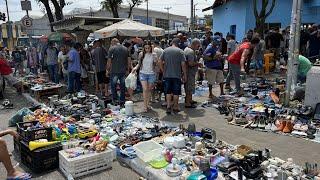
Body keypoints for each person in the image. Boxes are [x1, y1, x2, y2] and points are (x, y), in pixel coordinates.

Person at [160, 38, 187, 114]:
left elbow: (160, 61)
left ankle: (168, 106)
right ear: (178, 43)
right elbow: (183, 64)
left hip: (167, 75)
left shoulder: (165, 50)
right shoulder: (180, 51)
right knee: (176, 92)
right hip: (177, 75)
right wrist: (185, 75)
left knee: (168, 91)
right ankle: (175, 106)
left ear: (172, 42)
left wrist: (163, 71)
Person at [132, 42, 158, 112]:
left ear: (151, 47)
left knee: (149, 90)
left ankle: (147, 104)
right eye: (145, 48)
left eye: (148, 48)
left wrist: (153, 53)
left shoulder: (154, 54)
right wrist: (135, 68)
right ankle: (145, 106)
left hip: (151, 74)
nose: (147, 49)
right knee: (145, 89)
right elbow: (139, 63)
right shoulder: (141, 54)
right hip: (143, 73)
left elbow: (156, 63)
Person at [107, 38, 131, 106]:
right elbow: (129, 60)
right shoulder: (125, 49)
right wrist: (128, 70)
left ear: (113, 42)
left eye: (111, 43)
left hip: (114, 71)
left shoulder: (111, 49)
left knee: (113, 86)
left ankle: (115, 100)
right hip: (123, 71)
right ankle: (122, 100)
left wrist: (107, 70)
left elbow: (109, 61)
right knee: (122, 86)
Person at [184, 39, 201, 108]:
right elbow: (190, 63)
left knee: (189, 87)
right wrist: (198, 63)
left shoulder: (187, 49)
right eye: (198, 46)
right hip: (189, 72)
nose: (198, 47)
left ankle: (190, 100)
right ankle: (188, 103)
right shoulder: (190, 52)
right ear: (194, 44)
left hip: (189, 72)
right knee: (189, 88)